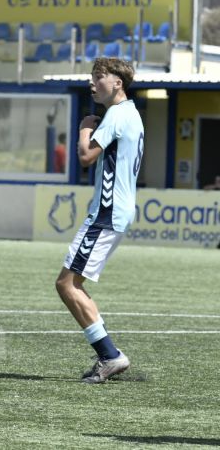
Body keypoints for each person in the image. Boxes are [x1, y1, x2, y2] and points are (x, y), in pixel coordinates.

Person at [55, 57, 144, 384]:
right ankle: (108, 353)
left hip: (107, 212)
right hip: (116, 210)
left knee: (67, 284)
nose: (91, 83)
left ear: (117, 82)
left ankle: (110, 355)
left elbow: (86, 156)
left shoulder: (116, 115)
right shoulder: (131, 113)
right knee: (71, 283)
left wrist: (84, 128)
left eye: (98, 77)